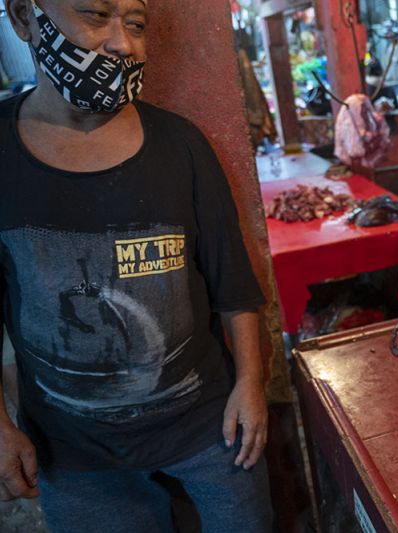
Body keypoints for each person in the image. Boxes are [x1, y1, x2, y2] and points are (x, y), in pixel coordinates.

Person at [0, 0, 275, 531]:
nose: (122, 44)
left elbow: (233, 282)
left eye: (136, 24)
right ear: (23, 18)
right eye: (94, 15)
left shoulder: (182, 146)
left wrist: (251, 384)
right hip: (72, 451)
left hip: (208, 427)